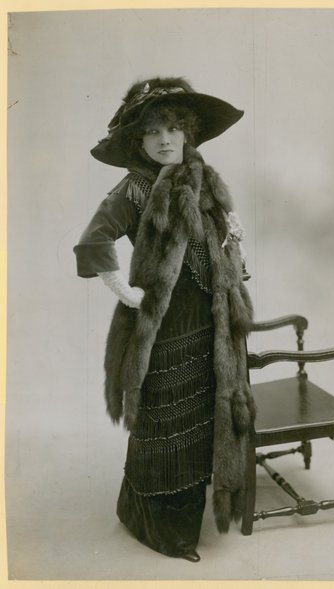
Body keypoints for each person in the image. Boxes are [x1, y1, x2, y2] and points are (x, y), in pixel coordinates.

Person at [73, 76, 255, 562]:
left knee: (207, 415)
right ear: (139, 140)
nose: (165, 140)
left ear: (188, 132)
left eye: (173, 128)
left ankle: (190, 509)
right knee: (164, 426)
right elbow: (93, 240)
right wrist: (125, 292)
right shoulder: (133, 188)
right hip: (166, 329)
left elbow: (220, 237)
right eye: (153, 131)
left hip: (214, 322)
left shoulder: (203, 178)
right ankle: (165, 531)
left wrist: (233, 250)